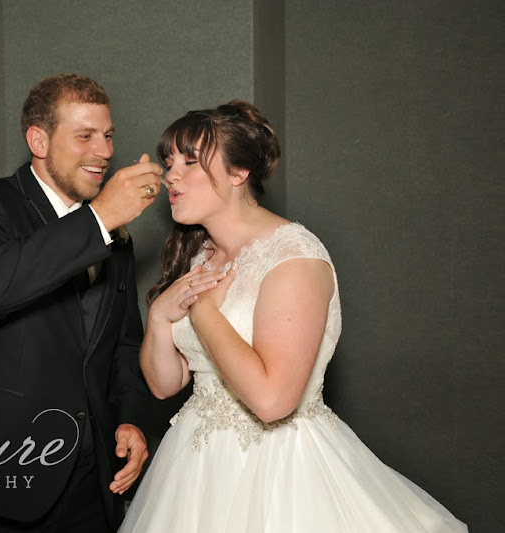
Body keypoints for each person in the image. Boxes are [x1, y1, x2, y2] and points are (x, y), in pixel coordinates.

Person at [118, 101, 468, 532]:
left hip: (281, 472)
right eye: (169, 161)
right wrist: (158, 317)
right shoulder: (200, 254)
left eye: (190, 162)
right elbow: (164, 385)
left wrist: (204, 311)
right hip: (195, 467)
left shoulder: (294, 257)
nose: (170, 175)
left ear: (238, 172)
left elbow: (272, 402)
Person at [0, 74, 161, 532]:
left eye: (108, 135)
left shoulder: (115, 234)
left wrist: (130, 419)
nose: (105, 151)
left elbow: (124, 343)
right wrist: (101, 218)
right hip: (2, 476)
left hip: (93, 484)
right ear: (38, 140)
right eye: (85, 136)